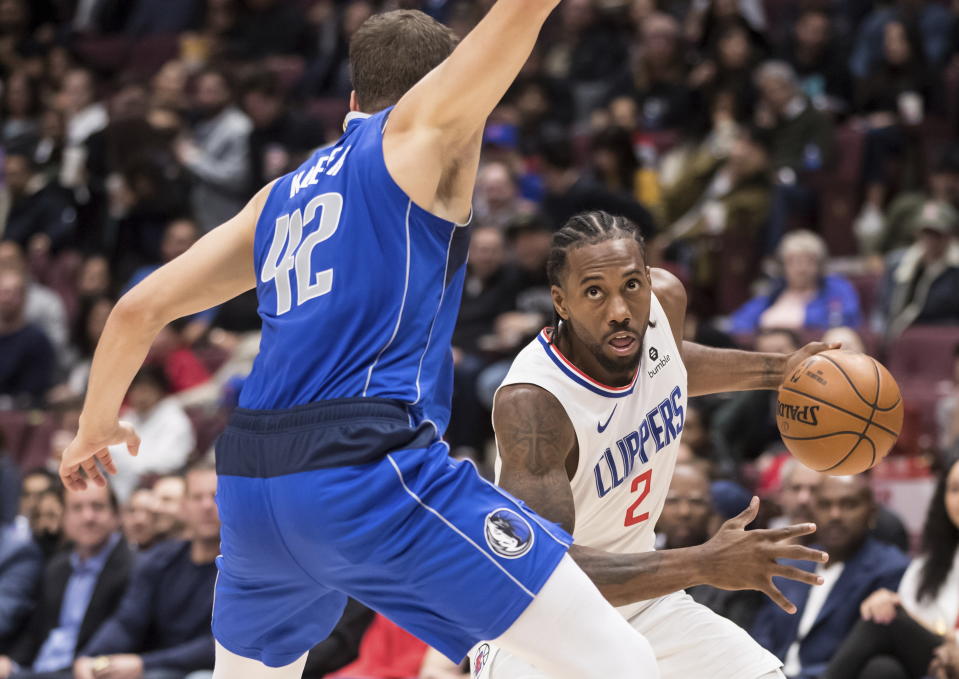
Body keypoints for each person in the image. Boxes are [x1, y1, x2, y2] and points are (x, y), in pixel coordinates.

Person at [60, 6, 663, 679]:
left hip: (252, 482)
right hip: (365, 465)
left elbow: (137, 309)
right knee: (625, 662)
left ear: (350, 99)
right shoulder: (421, 132)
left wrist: (92, 427)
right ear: (445, 86)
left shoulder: (277, 199)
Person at [479, 210, 835, 679]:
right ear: (560, 302)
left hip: (647, 607)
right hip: (542, 634)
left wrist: (779, 371)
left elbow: (669, 363)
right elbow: (542, 576)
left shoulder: (660, 306)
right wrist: (703, 563)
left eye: (631, 285)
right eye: (593, 292)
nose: (620, 311)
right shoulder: (535, 405)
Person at [751, 475, 909, 679]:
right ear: (813, 512)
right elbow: (761, 638)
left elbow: (862, 656)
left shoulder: (890, 568)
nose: (835, 515)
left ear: (872, 512)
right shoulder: (790, 565)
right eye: (825, 505)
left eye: (849, 504)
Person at [71, 464, 221, 679]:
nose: (207, 505)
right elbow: (127, 622)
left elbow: (219, 645)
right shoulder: (161, 559)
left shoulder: (249, 568)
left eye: (216, 496)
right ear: (184, 507)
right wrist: (91, 657)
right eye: (197, 497)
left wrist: (142, 663)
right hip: (155, 667)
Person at [821, 455, 959, 679]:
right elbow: (913, 630)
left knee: (884, 622)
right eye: (955, 489)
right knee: (882, 669)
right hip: (937, 661)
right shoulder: (930, 562)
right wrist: (890, 603)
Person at [0, 485, 133, 678]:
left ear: (116, 515)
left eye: (97, 507)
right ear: (64, 517)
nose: (88, 517)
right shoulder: (57, 567)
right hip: (38, 670)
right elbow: (34, 632)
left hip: (85, 670)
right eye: (77, 508)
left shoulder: (133, 568)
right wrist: (11, 661)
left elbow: (123, 634)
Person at [730, 231, 861, 333]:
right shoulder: (775, 291)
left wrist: (803, 319)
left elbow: (847, 319)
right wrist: (761, 322)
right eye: (794, 262)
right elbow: (739, 322)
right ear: (784, 266)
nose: (801, 269)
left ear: (820, 265)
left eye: (809, 261)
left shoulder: (836, 287)